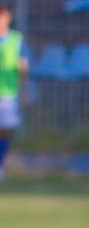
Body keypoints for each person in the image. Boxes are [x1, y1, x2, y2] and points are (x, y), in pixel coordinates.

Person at [0, 5, 28, 183]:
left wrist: (24, 90)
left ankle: (0, 166)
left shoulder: (16, 39)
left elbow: (23, 66)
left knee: (4, 131)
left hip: (8, 92)